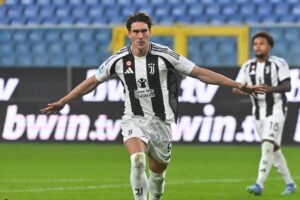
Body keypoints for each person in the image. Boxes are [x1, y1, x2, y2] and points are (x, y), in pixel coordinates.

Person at [41, 12, 265, 200]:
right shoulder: (118, 60)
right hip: (133, 119)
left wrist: (238, 85)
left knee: (157, 175)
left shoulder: (165, 55)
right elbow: (91, 82)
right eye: (136, 31)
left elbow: (200, 73)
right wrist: (64, 101)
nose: (140, 35)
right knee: (137, 161)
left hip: (162, 122)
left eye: (144, 31)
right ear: (129, 34)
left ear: (149, 32)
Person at [233, 32, 297, 196]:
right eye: (255, 44)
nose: (258, 46)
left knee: (267, 145)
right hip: (258, 112)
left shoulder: (278, 63)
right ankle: (290, 184)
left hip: (276, 108)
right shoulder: (248, 66)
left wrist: (269, 88)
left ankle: (259, 184)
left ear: (269, 46)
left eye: (261, 43)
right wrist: (243, 89)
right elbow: (235, 87)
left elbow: (288, 86)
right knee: (274, 149)